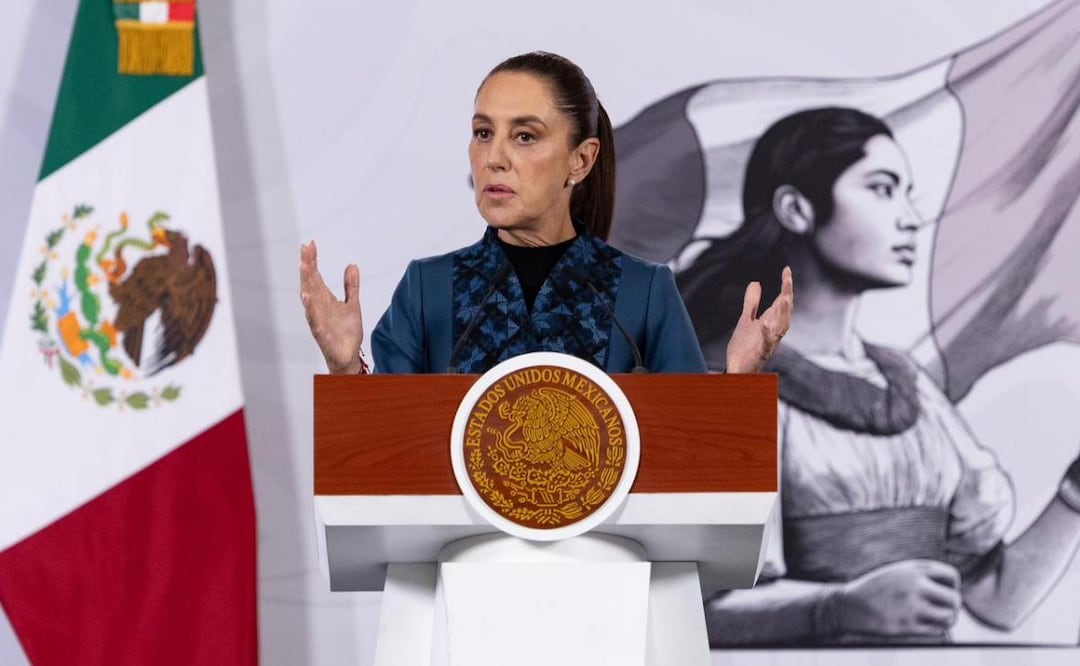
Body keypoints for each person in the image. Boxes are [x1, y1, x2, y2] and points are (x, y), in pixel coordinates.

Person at [675, 107, 1080, 645]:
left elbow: (996, 599)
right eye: (883, 189)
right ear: (796, 209)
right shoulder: (725, 385)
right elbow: (693, 609)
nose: (911, 217)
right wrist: (837, 609)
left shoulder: (906, 383)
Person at [299, 51, 792, 376]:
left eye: (525, 136)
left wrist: (737, 381)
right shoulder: (428, 290)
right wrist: (345, 369)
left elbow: (694, 456)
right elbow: (382, 454)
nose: (494, 157)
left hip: (607, 541)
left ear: (581, 159)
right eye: (483, 132)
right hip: (463, 542)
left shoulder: (642, 293)